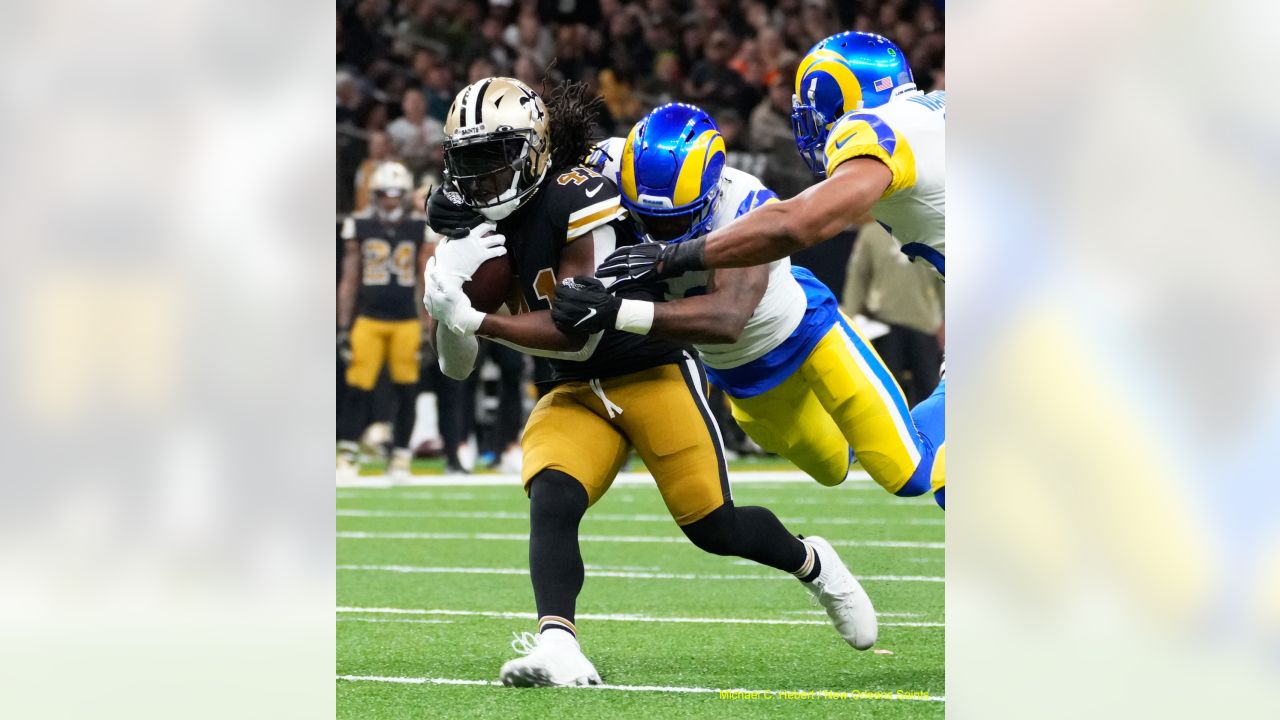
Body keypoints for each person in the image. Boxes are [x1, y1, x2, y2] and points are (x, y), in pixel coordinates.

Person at [422, 77, 877, 687]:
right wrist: (447, 302)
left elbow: (578, 329)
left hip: (650, 366)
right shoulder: (469, 225)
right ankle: (559, 644)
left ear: (532, 150)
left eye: (493, 158)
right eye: (467, 162)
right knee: (552, 498)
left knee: (713, 526)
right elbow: (456, 366)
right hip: (575, 389)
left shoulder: (578, 196)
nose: (479, 179)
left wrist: (477, 319)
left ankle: (812, 561)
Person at [595, 32, 947, 509]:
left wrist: (673, 257)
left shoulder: (870, 131)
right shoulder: (934, 110)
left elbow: (801, 224)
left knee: (924, 471)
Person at [337, 161, 431, 479]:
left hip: (405, 319)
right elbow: (349, 279)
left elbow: (424, 278)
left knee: (407, 388)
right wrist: (341, 325)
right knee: (357, 386)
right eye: (385, 193)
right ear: (375, 194)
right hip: (369, 317)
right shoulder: (359, 225)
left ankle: (401, 454)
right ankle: (348, 452)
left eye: (396, 193)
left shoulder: (418, 226)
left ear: (404, 194)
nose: (390, 199)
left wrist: (429, 325)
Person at [843, 221, 944, 406]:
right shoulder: (871, 234)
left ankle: (930, 435)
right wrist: (849, 318)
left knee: (930, 392)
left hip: (925, 323)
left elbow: (943, 276)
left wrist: (946, 322)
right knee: (885, 393)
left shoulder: (929, 230)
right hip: (884, 323)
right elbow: (858, 277)